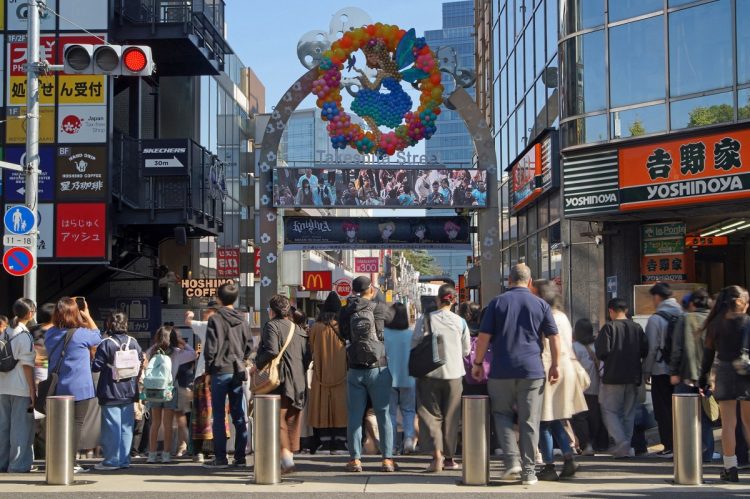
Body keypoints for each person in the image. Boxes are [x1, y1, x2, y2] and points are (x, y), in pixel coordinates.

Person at [472, 264, 560, 486]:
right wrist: (555, 365)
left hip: (501, 370)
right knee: (529, 421)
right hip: (532, 370)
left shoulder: (497, 303)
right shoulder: (540, 304)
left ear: (509, 281)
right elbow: (554, 337)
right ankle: (529, 472)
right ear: (529, 282)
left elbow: (483, 337)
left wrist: (478, 363)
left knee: (501, 414)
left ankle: (512, 461)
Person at [339, 276, 396, 473]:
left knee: (355, 416)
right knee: (383, 414)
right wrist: (376, 295)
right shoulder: (379, 307)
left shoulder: (345, 310)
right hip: (378, 368)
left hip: (355, 369)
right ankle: (387, 459)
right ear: (370, 289)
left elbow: (343, 335)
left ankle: (355, 459)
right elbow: (391, 318)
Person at [411, 285, 470, 472]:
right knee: (451, 417)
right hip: (454, 373)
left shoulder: (426, 319)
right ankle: (450, 459)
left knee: (430, 415)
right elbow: (467, 350)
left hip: (429, 373)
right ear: (453, 301)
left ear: (438, 300)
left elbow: (415, 343)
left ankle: (436, 456)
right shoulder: (460, 322)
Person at [534, 281, 585, 481]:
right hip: (566, 369)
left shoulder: (544, 316)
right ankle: (568, 455)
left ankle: (548, 465)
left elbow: (544, 345)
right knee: (555, 418)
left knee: (543, 420)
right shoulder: (562, 316)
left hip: (549, 369)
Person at [45, 297, 102, 473]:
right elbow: (98, 336)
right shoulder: (81, 334)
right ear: (75, 313)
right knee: (76, 424)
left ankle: (56, 461)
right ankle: (70, 463)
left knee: (58, 425)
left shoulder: (50, 334)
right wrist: (88, 315)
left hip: (57, 387)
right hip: (80, 388)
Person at [254, 295, 311, 474]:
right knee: (292, 420)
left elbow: (271, 350)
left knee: (277, 419)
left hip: (281, 380)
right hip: (299, 381)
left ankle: (286, 460)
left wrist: (255, 365)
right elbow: (308, 356)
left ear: (272, 310)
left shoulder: (272, 326)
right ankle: (288, 459)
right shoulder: (299, 329)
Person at [699, 285, 750, 482]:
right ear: (741, 302)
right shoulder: (748, 322)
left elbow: (707, 356)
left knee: (728, 424)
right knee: (748, 422)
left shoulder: (716, 324)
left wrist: (703, 380)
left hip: (725, 374)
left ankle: (730, 468)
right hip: (747, 374)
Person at [203, 282, 253, 469]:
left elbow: (211, 348)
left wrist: (208, 371)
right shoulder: (242, 320)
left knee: (218, 415)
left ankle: (221, 457)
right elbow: (249, 345)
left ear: (218, 298)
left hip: (219, 371)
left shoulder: (215, 319)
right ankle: (240, 457)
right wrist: (242, 358)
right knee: (239, 415)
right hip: (237, 371)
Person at [595, 298, 649, 459]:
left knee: (609, 410)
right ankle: (626, 446)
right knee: (628, 412)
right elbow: (644, 350)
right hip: (633, 376)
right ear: (625, 310)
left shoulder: (609, 328)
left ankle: (621, 443)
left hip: (613, 376)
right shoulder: (637, 328)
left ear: (611, 311)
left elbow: (602, 352)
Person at [91, 312, 143, 470]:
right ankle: (124, 460)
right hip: (128, 390)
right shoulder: (133, 342)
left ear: (109, 325)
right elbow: (141, 361)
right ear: (126, 324)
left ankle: (111, 460)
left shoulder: (106, 343)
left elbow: (96, 366)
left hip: (110, 390)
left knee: (111, 426)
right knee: (126, 427)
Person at [669, 289, 715, 462]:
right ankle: (707, 453)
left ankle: (688, 453)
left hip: (687, 374)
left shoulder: (685, 319)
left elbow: (677, 348)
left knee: (685, 416)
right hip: (708, 377)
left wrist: (673, 372)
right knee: (706, 415)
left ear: (692, 303)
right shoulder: (714, 320)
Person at [145, 326, 196, 464]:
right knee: (167, 424)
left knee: (155, 423)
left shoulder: (152, 351)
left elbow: (144, 360)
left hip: (154, 390)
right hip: (169, 389)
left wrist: (157, 344)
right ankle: (166, 454)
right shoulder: (177, 353)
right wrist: (181, 342)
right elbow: (193, 354)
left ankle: (152, 454)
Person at [643, 282, 683, 458]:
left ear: (657, 297)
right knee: (680, 409)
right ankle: (682, 445)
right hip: (680, 371)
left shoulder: (655, 319)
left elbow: (651, 349)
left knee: (663, 410)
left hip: (661, 370)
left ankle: (669, 446)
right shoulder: (682, 314)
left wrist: (646, 371)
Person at [308, 292, 348, 455]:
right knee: (340, 405)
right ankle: (340, 441)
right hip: (341, 374)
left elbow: (310, 348)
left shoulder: (316, 327)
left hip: (321, 374)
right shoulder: (343, 326)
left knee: (322, 405)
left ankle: (324, 441)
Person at [0, 298, 36, 473]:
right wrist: (32, 391)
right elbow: (27, 366)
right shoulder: (25, 336)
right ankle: (18, 465)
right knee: (20, 428)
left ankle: (2, 463)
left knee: (3, 427)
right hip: (20, 388)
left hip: (2, 386)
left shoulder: (4, 333)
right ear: (30, 314)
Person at [185, 300, 219, 463]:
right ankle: (217, 450)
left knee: (201, 414)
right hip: (221, 374)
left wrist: (190, 314)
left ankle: (199, 450)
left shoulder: (207, 325)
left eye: (206, 310)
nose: (204, 314)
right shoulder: (228, 326)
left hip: (204, 375)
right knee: (218, 414)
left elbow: (188, 321)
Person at [383, 302, 417, 455]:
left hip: (388, 376)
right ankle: (409, 438)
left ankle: (391, 445)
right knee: (409, 410)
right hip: (408, 376)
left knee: (390, 412)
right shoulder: (411, 334)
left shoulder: (384, 334)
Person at [571, 318, 607, 455]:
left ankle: (586, 444)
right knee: (595, 416)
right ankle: (598, 443)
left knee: (581, 417)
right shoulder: (597, 345)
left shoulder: (575, 347)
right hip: (597, 387)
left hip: (580, 388)